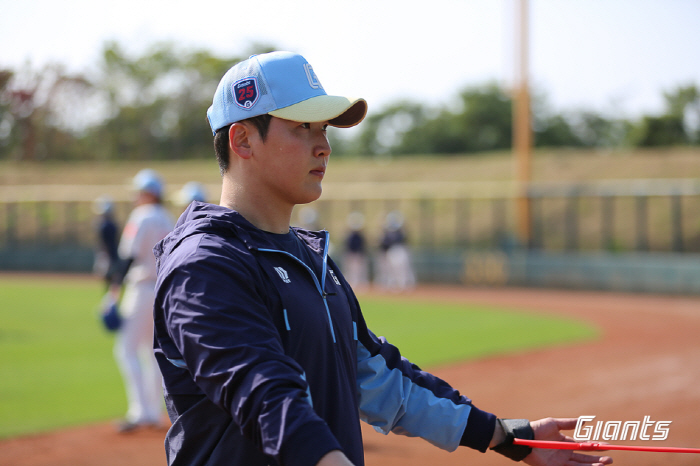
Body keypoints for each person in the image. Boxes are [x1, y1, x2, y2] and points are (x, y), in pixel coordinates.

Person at [152, 51, 612, 466]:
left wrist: (508, 436)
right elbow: (266, 398)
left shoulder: (309, 259)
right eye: (302, 128)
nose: (324, 146)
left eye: (325, 130)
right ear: (243, 140)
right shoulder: (205, 265)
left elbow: (380, 379)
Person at [111, 168, 175, 432]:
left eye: (140, 191)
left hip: (140, 290)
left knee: (125, 350)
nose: (136, 196)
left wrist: (113, 292)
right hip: (162, 291)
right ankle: (152, 410)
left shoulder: (142, 216)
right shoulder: (169, 218)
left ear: (149, 193)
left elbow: (128, 256)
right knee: (152, 353)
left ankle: (140, 412)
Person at [376, 210, 416, 291]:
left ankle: (404, 285)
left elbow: (404, 239)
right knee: (392, 270)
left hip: (400, 250)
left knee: (403, 269)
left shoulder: (400, 231)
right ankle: (394, 285)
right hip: (391, 251)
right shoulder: (387, 231)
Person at [92, 196, 120, 290]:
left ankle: (110, 301)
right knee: (112, 279)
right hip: (111, 254)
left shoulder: (105, 225)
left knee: (110, 279)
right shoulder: (111, 224)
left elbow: (105, 243)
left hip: (107, 255)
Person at [342, 211, 370, 290]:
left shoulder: (361, 235)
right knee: (350, 270)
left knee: (360, 270)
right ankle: (351, 284)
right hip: (351, 254)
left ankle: (361, 284)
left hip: (358, 254)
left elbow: (363, 246)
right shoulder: (349, 234)